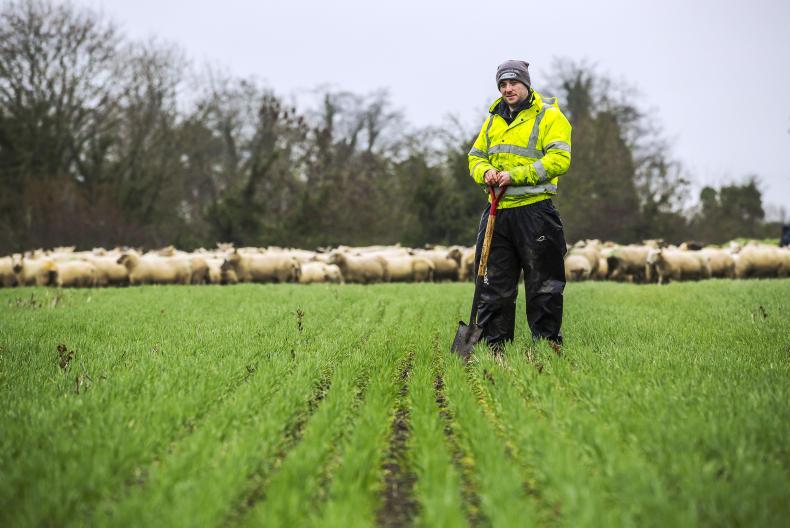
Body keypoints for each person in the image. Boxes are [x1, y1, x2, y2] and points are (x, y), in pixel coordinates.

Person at [467, 60, 572, 352]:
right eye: (502, 84)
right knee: (493, 285)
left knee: (544, 285)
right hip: (496, 212)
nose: (507, 89)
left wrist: (514, 175)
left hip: (535, 212)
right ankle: (495, 349)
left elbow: (559, 160)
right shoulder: (493, 120)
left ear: (526, 84)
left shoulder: (550, 116)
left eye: (513, 83)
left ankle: (547, 347)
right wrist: (486, 172)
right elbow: (475, 157)